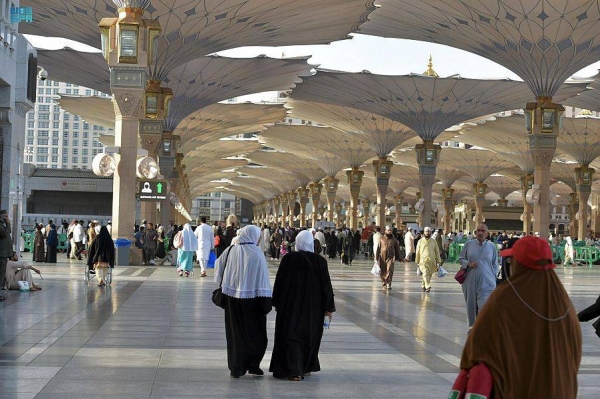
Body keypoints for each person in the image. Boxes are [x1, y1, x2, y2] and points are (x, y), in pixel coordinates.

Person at [454, 236, 581, 398]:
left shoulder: (505, 298)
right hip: (559, 391)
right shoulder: (564, 303)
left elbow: (475, 349)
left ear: (518, 264)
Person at [269, 230, 335, 381]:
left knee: (291, 336)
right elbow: (326, 286)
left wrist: (277, 302)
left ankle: (294, 369)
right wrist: (328, 308)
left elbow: (279, 283)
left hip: (289, 307)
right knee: (308, 336)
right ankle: (303, 368)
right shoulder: (320, 261)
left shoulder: (288, 259)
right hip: (313, 309)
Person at [214, 225, 272, 378]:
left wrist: (227, 281)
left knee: (235, 334)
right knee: (256, 334)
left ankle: (236, 367)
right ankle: (253, 365)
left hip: (232, 298)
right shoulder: (257, 253)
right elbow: (263, 279)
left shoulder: (231, 250)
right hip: (253, 299)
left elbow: (218, 266)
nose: (259, 238)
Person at [458, 223, 498, 329]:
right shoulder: (469, 244)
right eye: (478, 231)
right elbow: (461, 259)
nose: (480, 233)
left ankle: (482, 327)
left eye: (483, 231)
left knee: (484, 305)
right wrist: (468, 264)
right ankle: (472, 327)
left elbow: (495, 263)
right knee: (471, 305)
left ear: (487, 233)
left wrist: (493, 277)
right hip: (470, 281)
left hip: (487, 282)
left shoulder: (491, 246)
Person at [415, 226, 442, 292]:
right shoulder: (420, 241)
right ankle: (428, 286)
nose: (427, 233)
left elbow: (437, 251)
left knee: (429, 274)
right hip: (423, 261)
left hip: (431, 260)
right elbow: (417, 251)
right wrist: (417, 260)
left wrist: (438, 261)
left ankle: (423, 284)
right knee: (425, 272)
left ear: (430, 233)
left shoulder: (433, 241)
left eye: (428, 232)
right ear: (424, 232)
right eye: (426, 231)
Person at [376, 226, 402, 290]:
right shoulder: (381, 238)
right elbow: (378, 248)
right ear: (385, 231)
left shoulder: (394, 239)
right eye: (388, 230)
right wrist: (376, 258)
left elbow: (397, 249)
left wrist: (400, 257)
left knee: (390, 270)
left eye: (390, 230)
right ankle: (384, 281)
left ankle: (388, 283)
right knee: (382, 271)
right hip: (382, 257)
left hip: (390, 257)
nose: (389, 231)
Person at [0, 210, 13, 299]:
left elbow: (9, 231)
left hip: (4, 253)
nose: (7, 218)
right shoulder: (0, 225)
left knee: (2, 273)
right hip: (1, 253)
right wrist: (8, 223)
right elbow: (4, 233)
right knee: (1, 273)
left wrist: (8, 224)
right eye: (6, 216)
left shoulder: (3, 224)